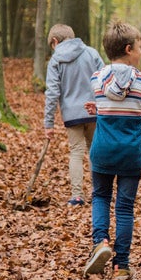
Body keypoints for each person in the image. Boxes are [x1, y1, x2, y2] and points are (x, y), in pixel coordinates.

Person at [82, 21, 141, 280]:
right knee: (124, 207)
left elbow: (109, 104)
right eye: (140, 48)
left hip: (103, 149)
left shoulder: (96, 79)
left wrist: (99, 108)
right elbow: (137, 111)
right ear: (128, 48)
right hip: (131, 151)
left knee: (100, 196)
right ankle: (121, 265)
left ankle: (100, 242)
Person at [43, 24, 105, 206]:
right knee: (95, 151)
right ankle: (99, 193)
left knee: (76, 153)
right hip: (94, 110)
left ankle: (77, 195)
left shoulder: (55, 61)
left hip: (72, 115)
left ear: (55, 41)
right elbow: (104, 80)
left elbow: (52, 93)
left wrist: (48, 123)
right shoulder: (92, 53)